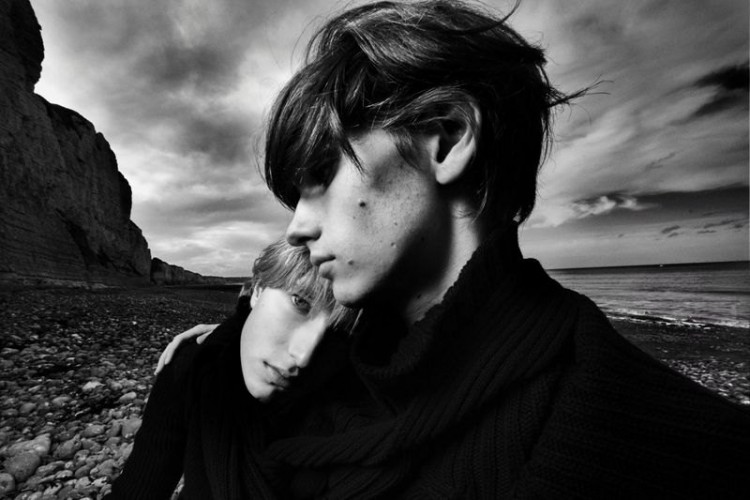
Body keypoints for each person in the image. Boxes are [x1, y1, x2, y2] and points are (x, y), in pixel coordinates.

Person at [168, 1, 750, 497]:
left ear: (446, 138)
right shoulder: (351, 367)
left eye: (322, 174)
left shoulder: (607, 424)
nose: (296, 226)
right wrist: (222, 340)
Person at [106, 239, 357, 499]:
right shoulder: (198, 364)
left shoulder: (353, 405)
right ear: (258, 290)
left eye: (336, 331)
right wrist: (226, 338)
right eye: (300, 302)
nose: (303, 356)